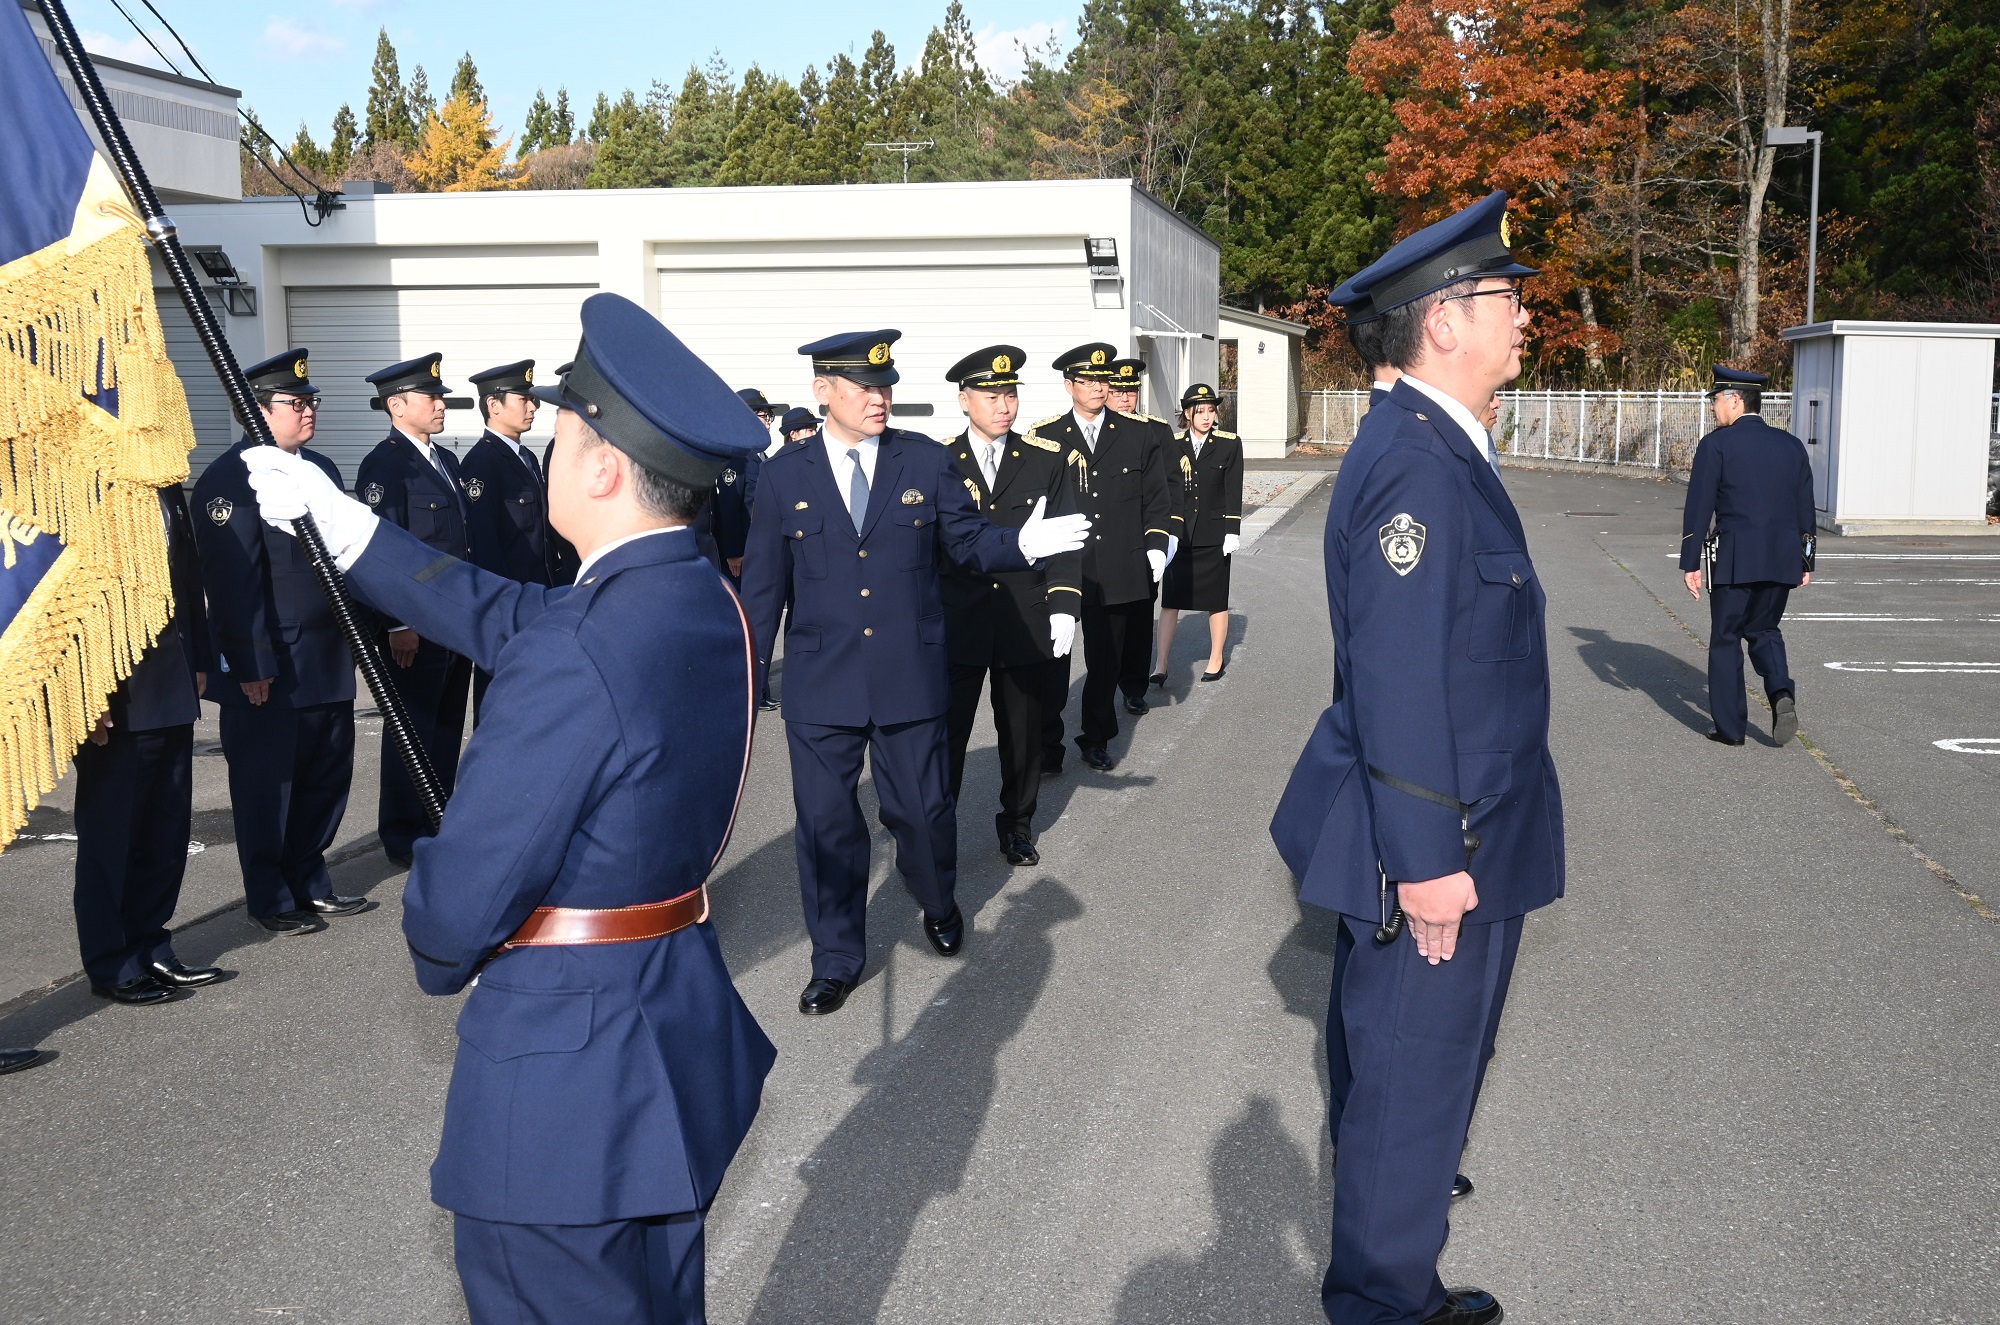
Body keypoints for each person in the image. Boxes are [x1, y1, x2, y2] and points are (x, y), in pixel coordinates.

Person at [240, 292, 776, 1325]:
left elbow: (453, 914)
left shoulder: (586, 645)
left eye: (564, 431)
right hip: (661, 1033)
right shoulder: (690, 592)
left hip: (567, 1092)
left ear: (604, 467)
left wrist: (439, 931)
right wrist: (350, 530)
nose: (549, 444)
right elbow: (512, 614)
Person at [1270, 189, 1560, 1325]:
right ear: (1442, 320)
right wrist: (1429, 859)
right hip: (1444, 845)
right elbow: (1397, 681)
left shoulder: (1433, 447)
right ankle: (1381, 1302)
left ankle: (1396, 1277)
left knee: (1413, 1088)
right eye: (1505, 297)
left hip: (1467, 826)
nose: (1523, 314)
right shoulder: (1416, 465)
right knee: (1408, 1089)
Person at [739, 330, 1089, 1016]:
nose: (880, 398)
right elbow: (763, 590)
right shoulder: (785, 475)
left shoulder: (923, 462)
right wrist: (747, 673)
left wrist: (1019, 542)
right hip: (822, 684)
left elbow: (965, 539)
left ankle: (935, 897)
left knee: (923, 813)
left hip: (908, 676)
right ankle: (836, 955)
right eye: (866, 387)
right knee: (826, 825)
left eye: (886, 386)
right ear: (822, 392)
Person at [191, 349, 368, 935]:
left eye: (311, 401)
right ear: (255, 411)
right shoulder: (228, 481)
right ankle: (270, 895)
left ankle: (310, 880)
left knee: (325, 776)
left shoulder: (318, 469)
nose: (309, 411)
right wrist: (250, 663)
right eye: (297, 403)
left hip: (325, 657)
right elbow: (233, 582)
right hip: (271, 664)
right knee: (272, 787)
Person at [72, 483, 224, 1003]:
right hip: (114, 691)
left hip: (169, 681)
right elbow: (68, 595)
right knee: (112, 836)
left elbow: (188, 578)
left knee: (164, 830)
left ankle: (152, 945)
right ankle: (112, 962)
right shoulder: (82, 485)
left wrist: (200, 658)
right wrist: (85, 692)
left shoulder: (165, 486)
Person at [939, 345, 1083, 868]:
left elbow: (1068, 538)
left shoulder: (1045, 461)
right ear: (964, 400)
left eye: (1010, 394)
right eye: (991, 395)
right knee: (946, 734)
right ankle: (939, 827)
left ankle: (1018, 824)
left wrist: (1065, 604)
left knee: (1022, 734)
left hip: (1025, 618)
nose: (1004, 406)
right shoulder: (939, 463)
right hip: (957, 622)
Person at [355, 353, 474, 867]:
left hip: (452, 621)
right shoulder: (385, 466)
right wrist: (398, 623)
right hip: (415, 627)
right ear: (397, 405)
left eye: (440, 396)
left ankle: (437, 819)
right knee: (412, 728)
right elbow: (384, 550)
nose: (441, 404)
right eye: (431, 397)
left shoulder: (443, 461)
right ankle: (402, 834)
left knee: (446, 727)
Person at [1031, 343, 1170, 774]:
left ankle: (1095, 737)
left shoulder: (1137, 434)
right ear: (1069, 384)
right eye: (1087, 380)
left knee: (1104, 663)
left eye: (1102, 380)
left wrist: (1156, 543)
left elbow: (1157, 498)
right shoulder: (1045, 437)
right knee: (1052, 666)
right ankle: (1048, 747)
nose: (1098, 387)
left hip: (1115, 567)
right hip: (1061, 568)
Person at [1680, 365, 1816, 746]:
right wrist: (1806, 561)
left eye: (1716, 400)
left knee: (1726, 637)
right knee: (1764, 629)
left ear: (1736, 401)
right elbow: (1805, 506)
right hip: (1783, 557)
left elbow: (1699, 507)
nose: (1712, 408)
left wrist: (1690, 562)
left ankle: (1730, 728)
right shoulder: (1791, 445)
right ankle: (1780, 692)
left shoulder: (1716, 445)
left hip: (1735, 557)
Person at [460, 360, 557, 721]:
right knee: (502, 707)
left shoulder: (526, 457)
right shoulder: (482, 463)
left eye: (534, 400)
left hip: (537, 599)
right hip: (508, 607)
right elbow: (484, 544)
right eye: (524, 399)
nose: (533, 407)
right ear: (494, 405)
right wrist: (501, 610)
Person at [1154, 383, 1244, 683]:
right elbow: (1166, 488)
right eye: (1200, 411)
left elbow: (1233, 489)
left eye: (1211, 410)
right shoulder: (1173, 444)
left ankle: (1216, 658)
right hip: (1179, 534)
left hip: (1214, 534)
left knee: (1216, 600)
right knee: (1170, 601)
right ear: (1187, 414)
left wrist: (1232, 529)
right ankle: (1161, 664)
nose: (1207, 416)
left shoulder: (1229, 444)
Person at [715, 388, 777, 580]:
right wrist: (733, 552)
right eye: (762, 415)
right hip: (743, 553)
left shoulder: (761, 457)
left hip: (760, 548)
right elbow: (729, 506)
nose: (767, 422)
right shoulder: (737, 458)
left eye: (768, 416)